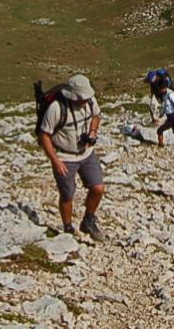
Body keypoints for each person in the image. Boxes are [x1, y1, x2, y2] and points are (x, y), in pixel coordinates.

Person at [37, 73, 105, 241]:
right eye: (81, 97)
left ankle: (88, 219)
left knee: (98, 188)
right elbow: (44, 135)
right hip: (64, 156)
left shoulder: (90, 101)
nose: (84, 100)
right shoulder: (56, 108)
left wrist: (93, 132)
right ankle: (68, 228)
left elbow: (96, 116)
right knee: (67, 194)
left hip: (86, 153)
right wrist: (56, 161)